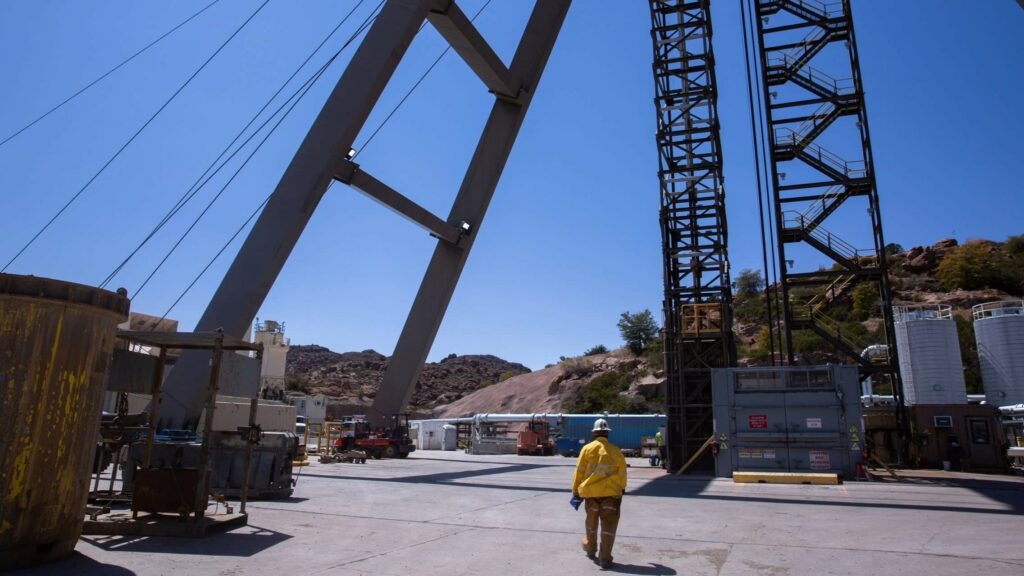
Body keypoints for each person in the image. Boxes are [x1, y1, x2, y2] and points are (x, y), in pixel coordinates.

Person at [572, 418, 627, 568]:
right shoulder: (616, 451)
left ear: (593, 433)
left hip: (591, 494)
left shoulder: (587, 449)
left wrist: (576, 491)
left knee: (591, 523)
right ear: (607, 434)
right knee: (608, 526)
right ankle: (605, 559)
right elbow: (622, 472)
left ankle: (590, 548)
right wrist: (622, 488)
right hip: (611, 495)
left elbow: (579, 472)